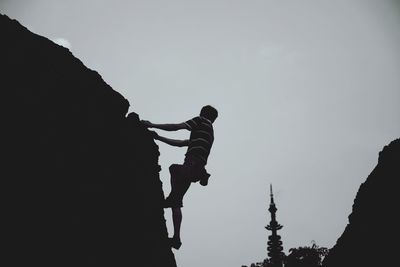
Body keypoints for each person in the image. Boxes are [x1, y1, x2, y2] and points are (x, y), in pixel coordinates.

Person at [141, 105, 218, 250]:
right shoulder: (208, 133)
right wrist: (158, 137)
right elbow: (181, 143)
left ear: (202, 113)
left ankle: (198, 177)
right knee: (176, 202)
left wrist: (152, 125)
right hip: (194, 169)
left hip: (190, 164)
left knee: (173, 169)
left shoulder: (200, 121)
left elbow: (177, 127)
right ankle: (176, 238)